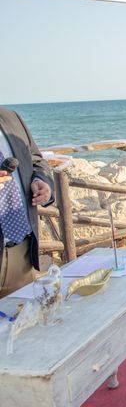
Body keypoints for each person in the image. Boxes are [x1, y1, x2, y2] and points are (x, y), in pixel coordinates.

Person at [0, 107, 54, 298]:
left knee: (25, 323)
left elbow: (35, 159)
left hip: (21, 253)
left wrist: (41, 181)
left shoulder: (10, 117)